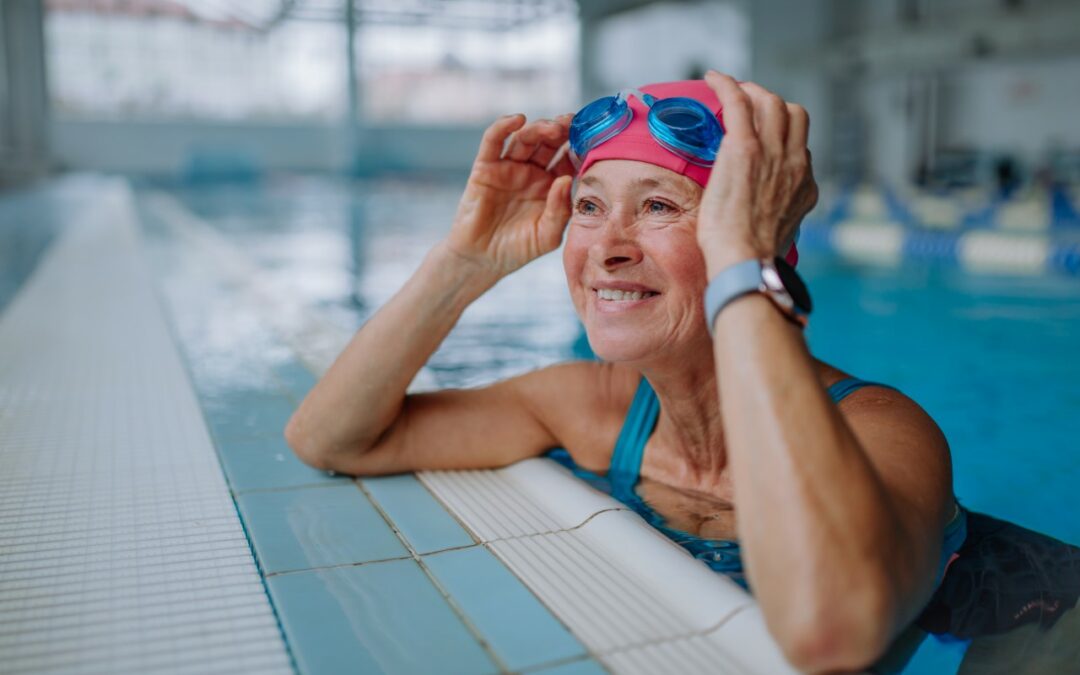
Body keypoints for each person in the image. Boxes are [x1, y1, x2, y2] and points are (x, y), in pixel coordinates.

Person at [285, 71, 966, 673]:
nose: (606, 249)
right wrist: (467, 261)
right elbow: (333, 438)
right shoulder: (594, 408)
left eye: (660, 206)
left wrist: (742, 261)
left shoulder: (883, 431)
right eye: (590, 206)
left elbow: (831, 631)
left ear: (761, 243)